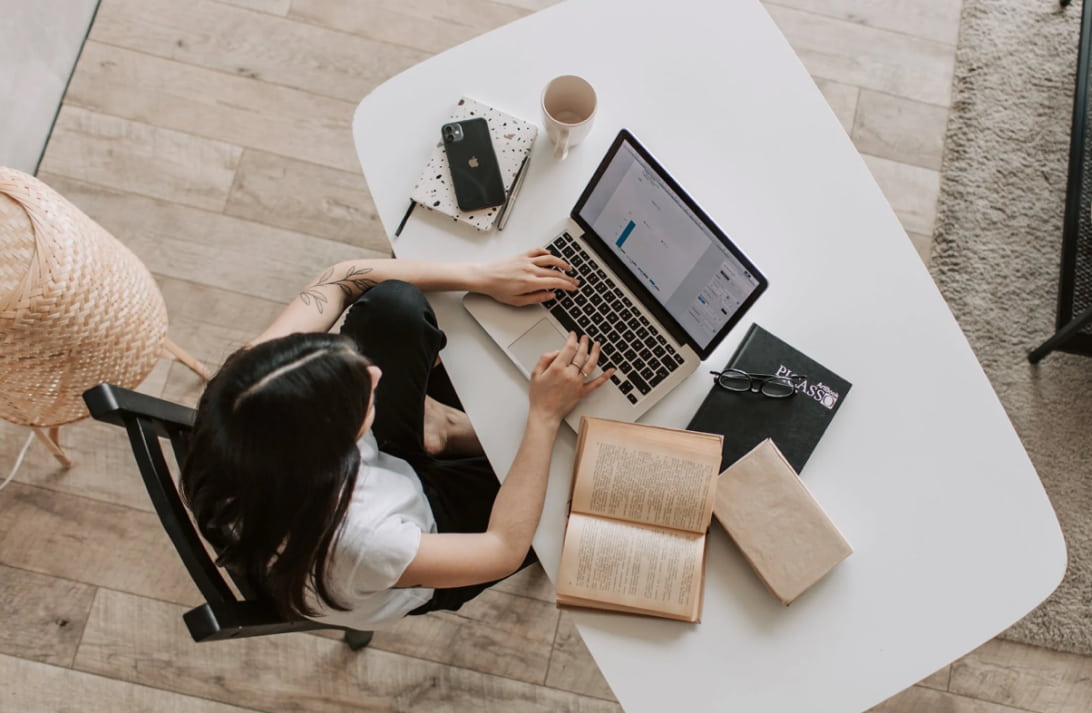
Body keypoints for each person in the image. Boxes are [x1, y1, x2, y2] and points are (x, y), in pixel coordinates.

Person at [180, 248, 613, 630]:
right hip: (425, 537)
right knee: (581, 484)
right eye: (361, 397)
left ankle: (437, 430)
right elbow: (502, 549)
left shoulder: (248, 392)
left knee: (392, 304)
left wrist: (481, 275)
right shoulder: (365, 541)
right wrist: (543, 416)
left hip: (363, 480)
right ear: (336, 448)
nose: (375, 373)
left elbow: (339, 279)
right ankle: (443, 430)